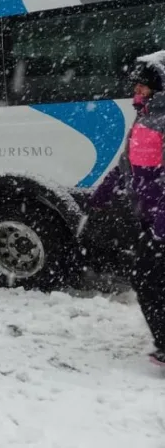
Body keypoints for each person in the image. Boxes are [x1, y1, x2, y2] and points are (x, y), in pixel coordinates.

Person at [88, 58, 165, 366]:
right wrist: (101, 194)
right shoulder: (145, 119)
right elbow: (126, 164)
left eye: (141, 87)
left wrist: (161, 228)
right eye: (135, 87)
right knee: (150, 279)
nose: (136, 92)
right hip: (151, 219)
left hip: (161, 223)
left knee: (146, 278)